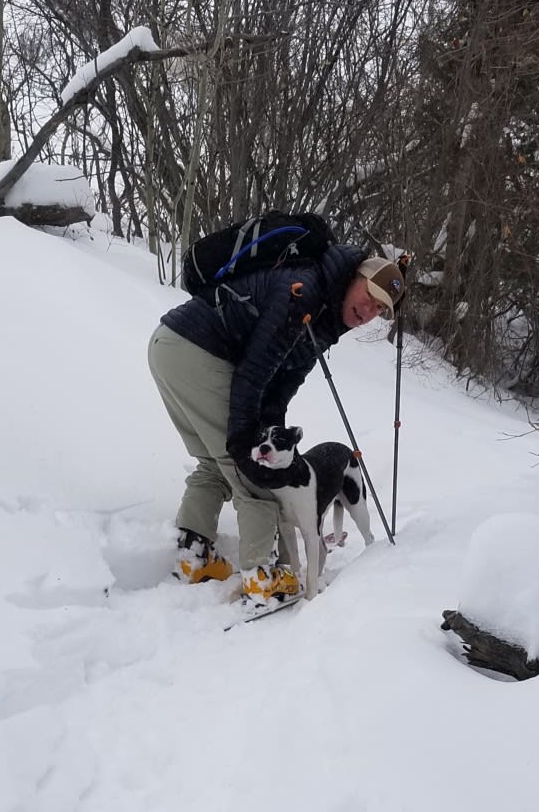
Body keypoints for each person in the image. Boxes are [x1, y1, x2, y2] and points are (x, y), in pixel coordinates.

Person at [148, 245, 405, 604]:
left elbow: (284, 380)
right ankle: (262, 575)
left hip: (169, 345)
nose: (369, 312)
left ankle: (194, 556)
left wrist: (269, 426)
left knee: (215, 462)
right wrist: (244, 440)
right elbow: (254, 372)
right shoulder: (305, 292)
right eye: (370, 297)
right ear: (355, 278)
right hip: (199, 352)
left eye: (380, 309)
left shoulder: (325, 311)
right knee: (249, 472)